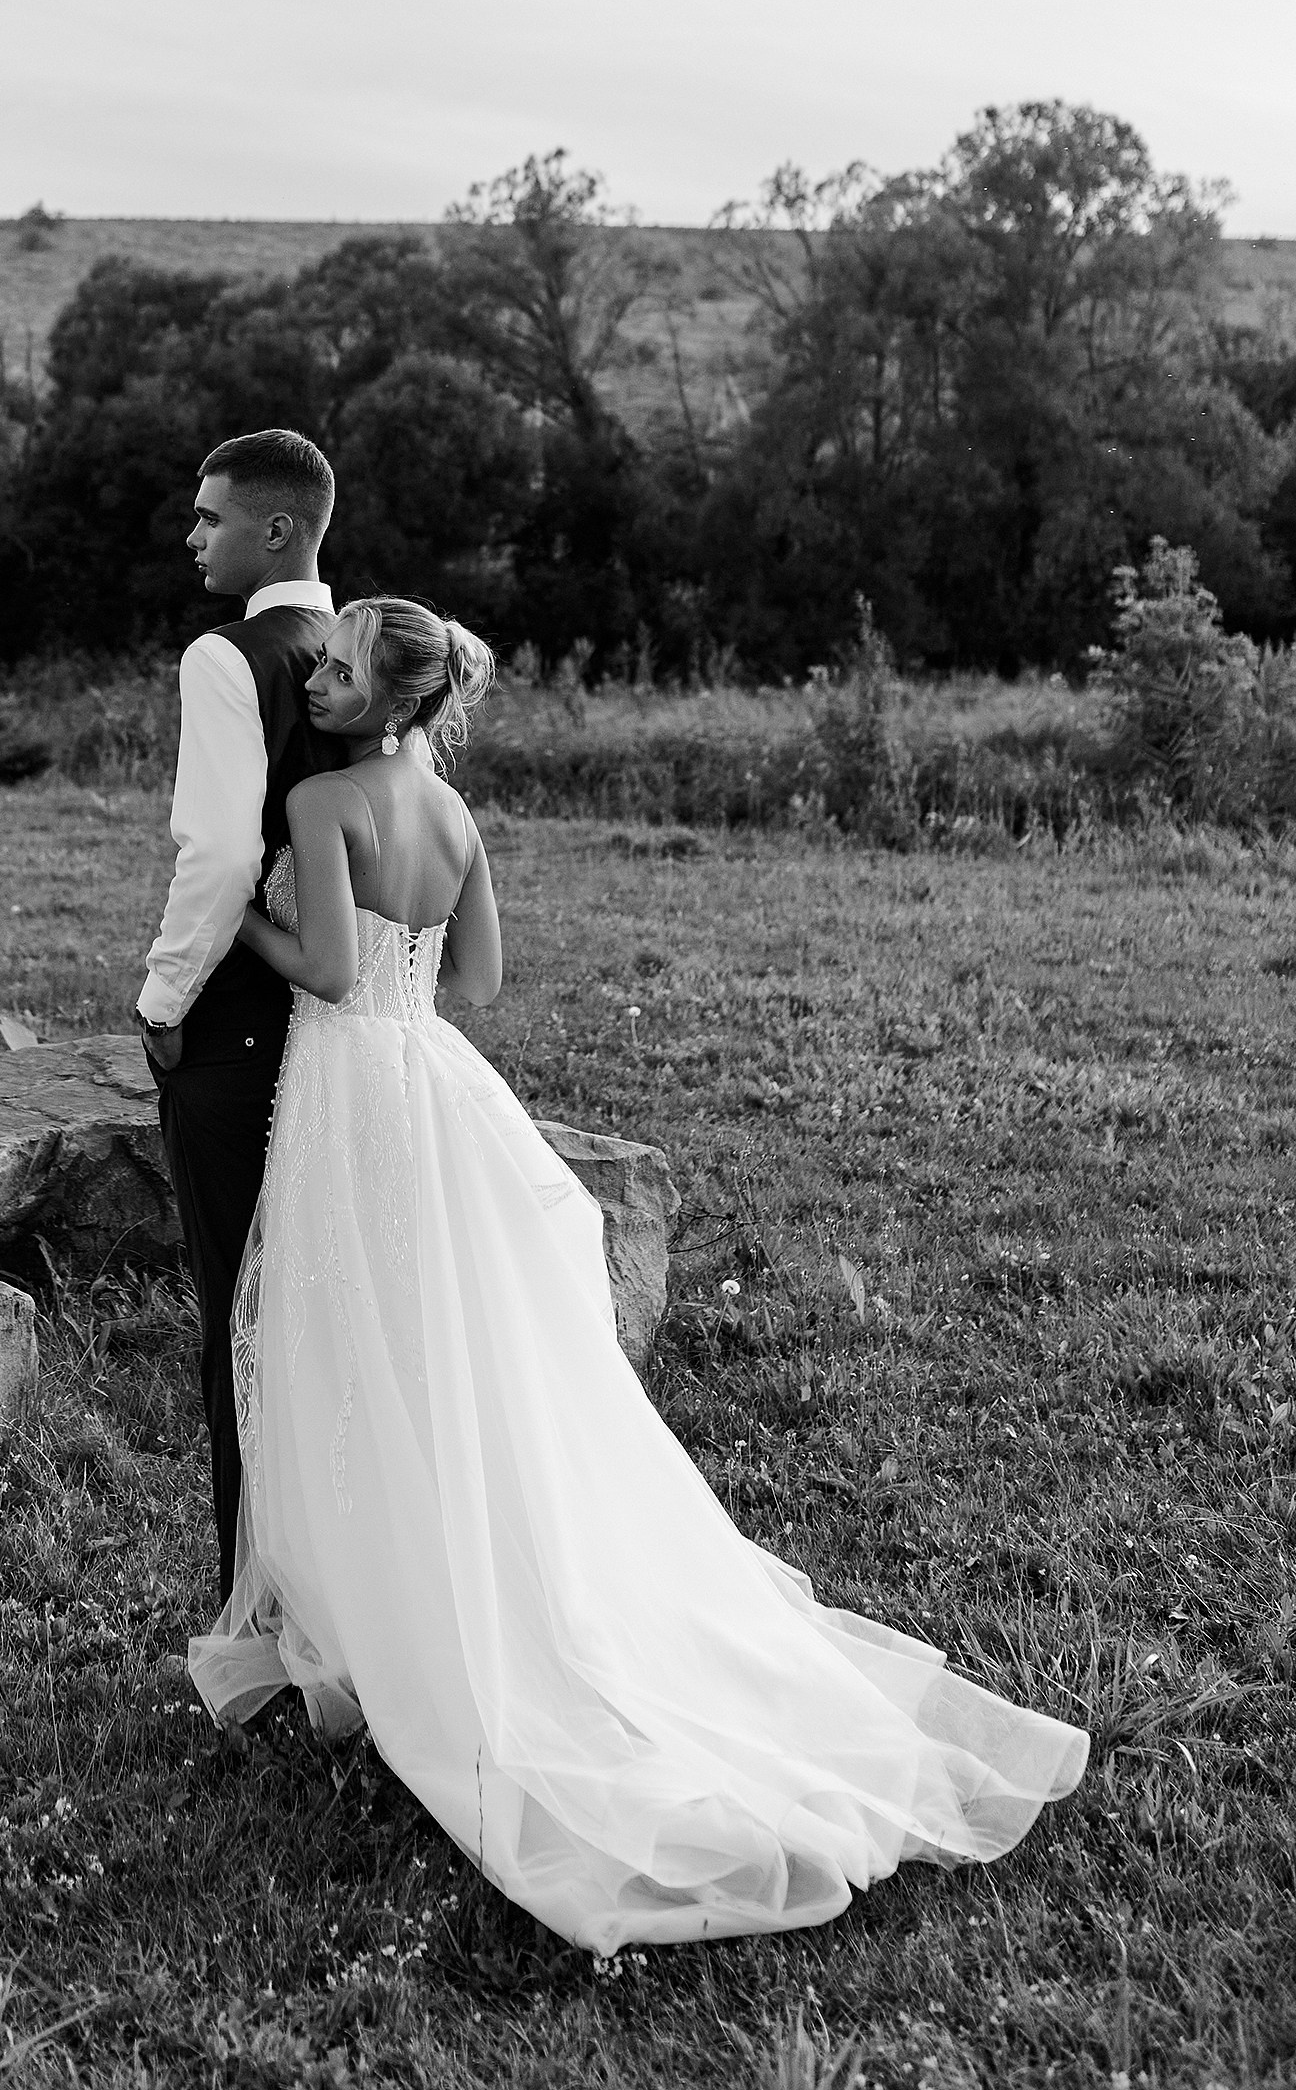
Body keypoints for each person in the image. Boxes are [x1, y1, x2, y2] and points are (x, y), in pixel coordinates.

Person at [190, 596, 1088, 1951]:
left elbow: (323, 964)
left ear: (393, 700)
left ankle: (387, 1617)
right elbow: (477, 980)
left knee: (358, 1342)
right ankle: (433, 1586)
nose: (315, 685)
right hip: (434, 1079)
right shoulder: (455, 816)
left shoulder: (325, 812)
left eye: (340, 672)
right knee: (447, 1353)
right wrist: (380, 967)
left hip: (352, 1093)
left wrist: (233, 927)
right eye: (318, 668)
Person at [135, 428, 342, 1602]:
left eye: (207, 516)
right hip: (339, 1027)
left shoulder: (228, 656)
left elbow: (215, 852)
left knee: (241, 1322)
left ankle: (256, 1608)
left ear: (274, 528)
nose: (191, 534)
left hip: (238, 1024)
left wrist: (161, 1001)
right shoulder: (348, 646)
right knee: (323, 1310)